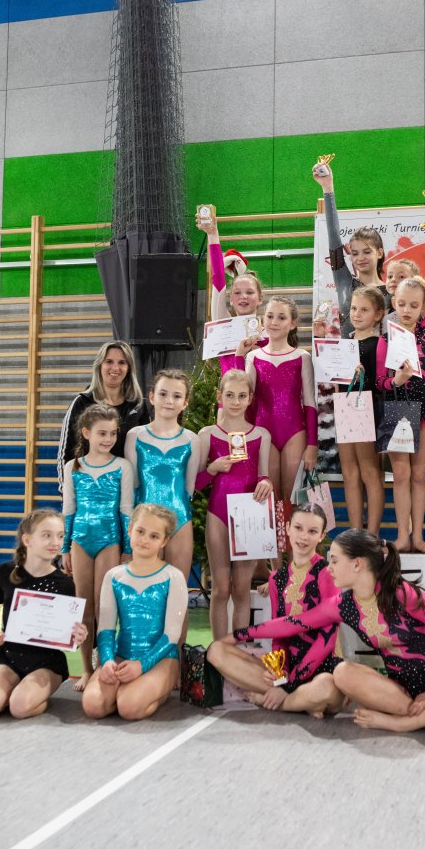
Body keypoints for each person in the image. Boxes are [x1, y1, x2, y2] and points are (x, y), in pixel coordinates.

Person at [229, 529, 425, 733]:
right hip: (397, 692)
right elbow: (294, 623)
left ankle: (407, 723)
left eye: (334, 561)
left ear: (357, 563)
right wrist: (240, 635)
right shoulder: (343, 604)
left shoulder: (401, 593)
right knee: (343, 673)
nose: (329, 568)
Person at [207, 504, 345, 717]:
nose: (303, 537)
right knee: (216, 650)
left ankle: (282, 700)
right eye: (298, 528)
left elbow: (327, 639)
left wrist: (288, 686)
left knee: (326, 687)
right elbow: (278, 635)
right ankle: (302, 701)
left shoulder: (327, 573)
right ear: (287, 528)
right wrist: (280, 673)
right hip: (289, 671)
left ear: (321, 536)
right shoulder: (277, 579)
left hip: (322, 669)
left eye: (312, 531)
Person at [0, 510, 87, 719]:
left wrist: (78, 637)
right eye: (47, 535)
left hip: (46, 662)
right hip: (9, 656)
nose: (55, 542)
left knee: (19, 707)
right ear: (27, 540)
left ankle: (30, 696)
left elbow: (69, 636)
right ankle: (15, 690)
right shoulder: (3, 573)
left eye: (60, 536)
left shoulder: (65, 584)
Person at [82, 504, 187, 721]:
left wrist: (142, 665)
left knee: (129, 707)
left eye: (154, 536)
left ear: (164, 541)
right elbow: (106, 629)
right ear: (130, 530)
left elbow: (171, 635)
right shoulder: (114, 576)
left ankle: (154, 691)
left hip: (161, 658)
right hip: (122, 655)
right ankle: (125, 690)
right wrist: (108, 661)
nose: (145, 540)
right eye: (140, 531)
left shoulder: (173, 577)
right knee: (93, 705)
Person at [61, 404, 134, 690]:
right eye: (102, 433)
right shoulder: (73, 467)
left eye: (113, 433)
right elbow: (69, 510)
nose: (108, 439)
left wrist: (127, 548)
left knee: (105, 605)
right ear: (86, 433)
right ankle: (86, 668)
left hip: (110, 541)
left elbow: (126, 510)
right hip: (80, 541)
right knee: (84, 606)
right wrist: (65, 548)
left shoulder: (122, 466)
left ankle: (105, 662)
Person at [376, 253, 425, 552]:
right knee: (401, 475)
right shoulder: (386, 336)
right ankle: (403, 536)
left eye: (414, 305)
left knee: (419, 475)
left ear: (424, 307)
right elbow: (379, 380)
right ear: (394, 302)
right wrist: (396, 381)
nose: (406, 310)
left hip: (424, 406)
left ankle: (418, 536)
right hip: (396, 405)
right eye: (402, 304)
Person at [197, 369, 273, 637]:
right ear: (220, 397)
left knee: (241, 589)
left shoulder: (261, 435)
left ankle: (239, 649)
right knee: (220, 589)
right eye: (230, 395)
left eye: (242, 396)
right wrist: (212, 468)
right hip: (218, 513)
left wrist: (266, 483)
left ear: (250, 398)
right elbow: (195, 483)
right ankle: (218, 649)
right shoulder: (207, 434)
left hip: (249, 515)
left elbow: (263, 475)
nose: (236, 401)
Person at [124, 369, 200, 588]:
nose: (169, 401)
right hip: (145, 520)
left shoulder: (192, 440)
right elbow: (133, 485)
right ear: (151, 397)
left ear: (185, 403)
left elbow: (189, 488)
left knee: (178, 589)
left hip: (180, 519)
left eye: (177, 396)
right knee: (145, 588)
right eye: (163, 394)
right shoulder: (135, 436)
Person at [245, 296, 318, 503]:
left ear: (293, 323)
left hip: (294, 432)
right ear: (262, 319)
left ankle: (291, 527)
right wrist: (247, 438)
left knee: (291, 497)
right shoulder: (253, 357)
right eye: (269, 316)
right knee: (269, 498)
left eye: (281, 317)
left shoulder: (302, 357)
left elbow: (310, 404)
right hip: (262, 430)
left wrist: (312, 445)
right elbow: (247, 402)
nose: (274, 322)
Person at [57, 340, 148, 493]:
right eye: (109, 361)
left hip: (126, 495)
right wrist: (67, 495)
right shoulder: (82, 403)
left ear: (129, 368)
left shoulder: (138, 406)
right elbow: (65, 454)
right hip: (88, 493)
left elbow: (145, 455)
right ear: (100, 365)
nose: (115, 368)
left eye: (122, 362)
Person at [312, 160, 391, 335]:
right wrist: (328, 188)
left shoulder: (391, 292)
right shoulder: (345, 281)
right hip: (346, 352)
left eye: (367, 252)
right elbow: (334, 236)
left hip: (380, 353)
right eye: (354, 253)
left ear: (379, 253)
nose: (360, 258)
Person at [334, 285, 385, 535]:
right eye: (354, 308)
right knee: (349, 472)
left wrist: (363, 374)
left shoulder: (379, 344)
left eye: (364, 310)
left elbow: (382, 382)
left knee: (369, 471)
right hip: (345, 407)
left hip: (367, 408)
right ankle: (355, 532)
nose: (356, 313)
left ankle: (372, 534)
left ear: (378, 315)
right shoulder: (344, 344)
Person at [196, 204, 266, 376]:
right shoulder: (224, 324)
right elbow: (218, 278)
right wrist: (213, 234)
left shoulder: (270, 331)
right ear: (231, 300)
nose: (243, 297)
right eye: (237, 293)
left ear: (260, 298)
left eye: (250, 292)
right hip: (231, 393)